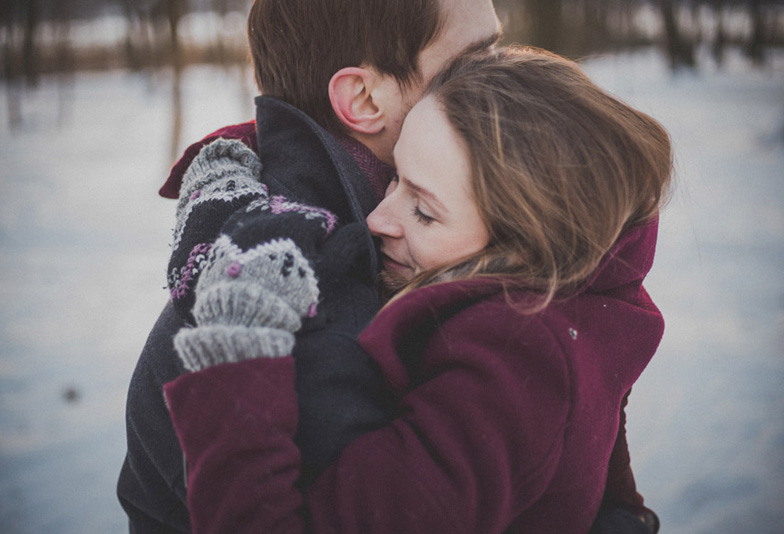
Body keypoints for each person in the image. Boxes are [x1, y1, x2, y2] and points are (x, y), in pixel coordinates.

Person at [162, 46, 672, 533]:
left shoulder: (509, 369)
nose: (378, 219)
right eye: (394, 178)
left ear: (525, 247)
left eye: (424, 211)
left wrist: (237, 348)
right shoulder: (585, 305)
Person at [117, 0, 502, 531]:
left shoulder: (396, 236)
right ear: (363, 98)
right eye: (475, 61)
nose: (508, 78)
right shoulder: (311, 315)